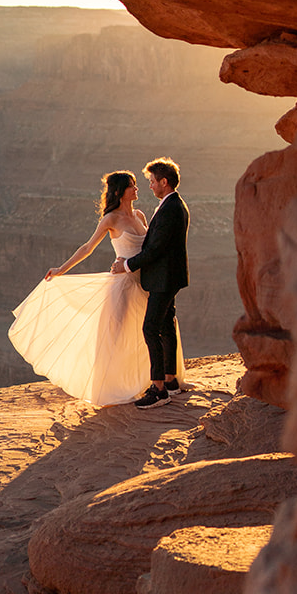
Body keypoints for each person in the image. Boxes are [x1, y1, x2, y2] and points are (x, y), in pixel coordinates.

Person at [8, 170, 183, 407]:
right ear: (121, 192)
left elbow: (153, 247)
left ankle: (155, 382)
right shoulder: (110, 219)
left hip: (145, 283)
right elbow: (87, 247)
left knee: (150, 333)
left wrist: (131, 264)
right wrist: (61, 268)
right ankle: (115, 385)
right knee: (117, 335)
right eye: (132, 185)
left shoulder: (141, 215)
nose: (138, 188)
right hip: (122, 286)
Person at [111, 157, 189, 409]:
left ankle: (158, 390)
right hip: (168, 276)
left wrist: (125, 265)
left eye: (152, 182)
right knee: (166, 325)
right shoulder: (172, 205)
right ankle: (171, 382)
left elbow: (155, 249)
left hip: (163, 278)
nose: (150, 186)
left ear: (164, 182)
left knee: (150, 328)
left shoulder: (171, 209)